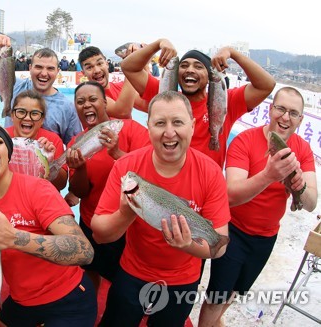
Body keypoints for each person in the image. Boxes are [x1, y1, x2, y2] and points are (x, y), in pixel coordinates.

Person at [91, 91, 230, 327]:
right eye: (159, 123)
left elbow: (218, 246)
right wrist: (125, 214)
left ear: (193, 126)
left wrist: (187, 245)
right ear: (148, 128)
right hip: (132, 271)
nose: (169, 132)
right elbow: (99, 234)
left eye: (177, 122)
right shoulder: (127, 167)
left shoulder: (210, 172)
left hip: (183, 280)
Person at [198, 87, 318, 326]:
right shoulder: (245, 140)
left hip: (266, 237)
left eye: (293, 113)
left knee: (235, 292)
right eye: (281, 109)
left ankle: (216, 321)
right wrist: (269, 175)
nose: (285, 117)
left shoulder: (303, 150)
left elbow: (311, 203)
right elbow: (230, 194)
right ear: (270, 109)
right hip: (233, 232)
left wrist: (300, 187)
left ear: (301, 119)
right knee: (216, 296)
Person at [0, 122, 97, 326]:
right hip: (23, 301)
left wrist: (13, 238)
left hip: (67, 298)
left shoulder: (37, 189)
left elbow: (83, 251)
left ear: (8, 154)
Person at [121, 41, 276, 168]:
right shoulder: (164, 95)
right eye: (184, 65)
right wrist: (158, 44)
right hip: (165, 182)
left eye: (198, 66)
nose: (189, 70)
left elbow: (266, 85)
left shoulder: (225, 101)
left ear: (209, 75)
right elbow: (129, 68)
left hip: (206, 188)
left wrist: (232, 52)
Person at [68, 81, 150, 293]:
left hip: (127, 225)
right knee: (90, 270)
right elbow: (79, 192)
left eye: (93, 99)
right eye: (80, 101)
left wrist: (117, 154)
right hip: (90, 220)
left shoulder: (130, 129)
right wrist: (80, 169)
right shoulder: (76, 143)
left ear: (105, 103)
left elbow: (150, 177)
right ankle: (91, 306)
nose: (87, 105)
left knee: (124, 279)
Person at [0, 34, 81, 145]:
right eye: (38, 67)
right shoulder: (13, 85)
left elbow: (74, 146)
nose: (44, 73)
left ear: (57, 71)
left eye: (50, 68)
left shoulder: (67, 108)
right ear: (30, 68)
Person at [78, 45, 173, 118]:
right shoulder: (88, 97)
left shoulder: (120, 87)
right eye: (89, 67)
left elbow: (149, 107)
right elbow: (122, 112)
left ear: (107, 64)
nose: (97, 70)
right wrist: (131, 67)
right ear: (83, 73)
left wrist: (144, 63)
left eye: (100, 63)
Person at [5, 90, 68, 191]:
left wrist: (50, 164)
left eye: (34, 113)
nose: (27, 118)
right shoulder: (0, 138)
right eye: (21, 112)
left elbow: (61, 185)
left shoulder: (53, 141)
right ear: (12, 115)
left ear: (42, 119)